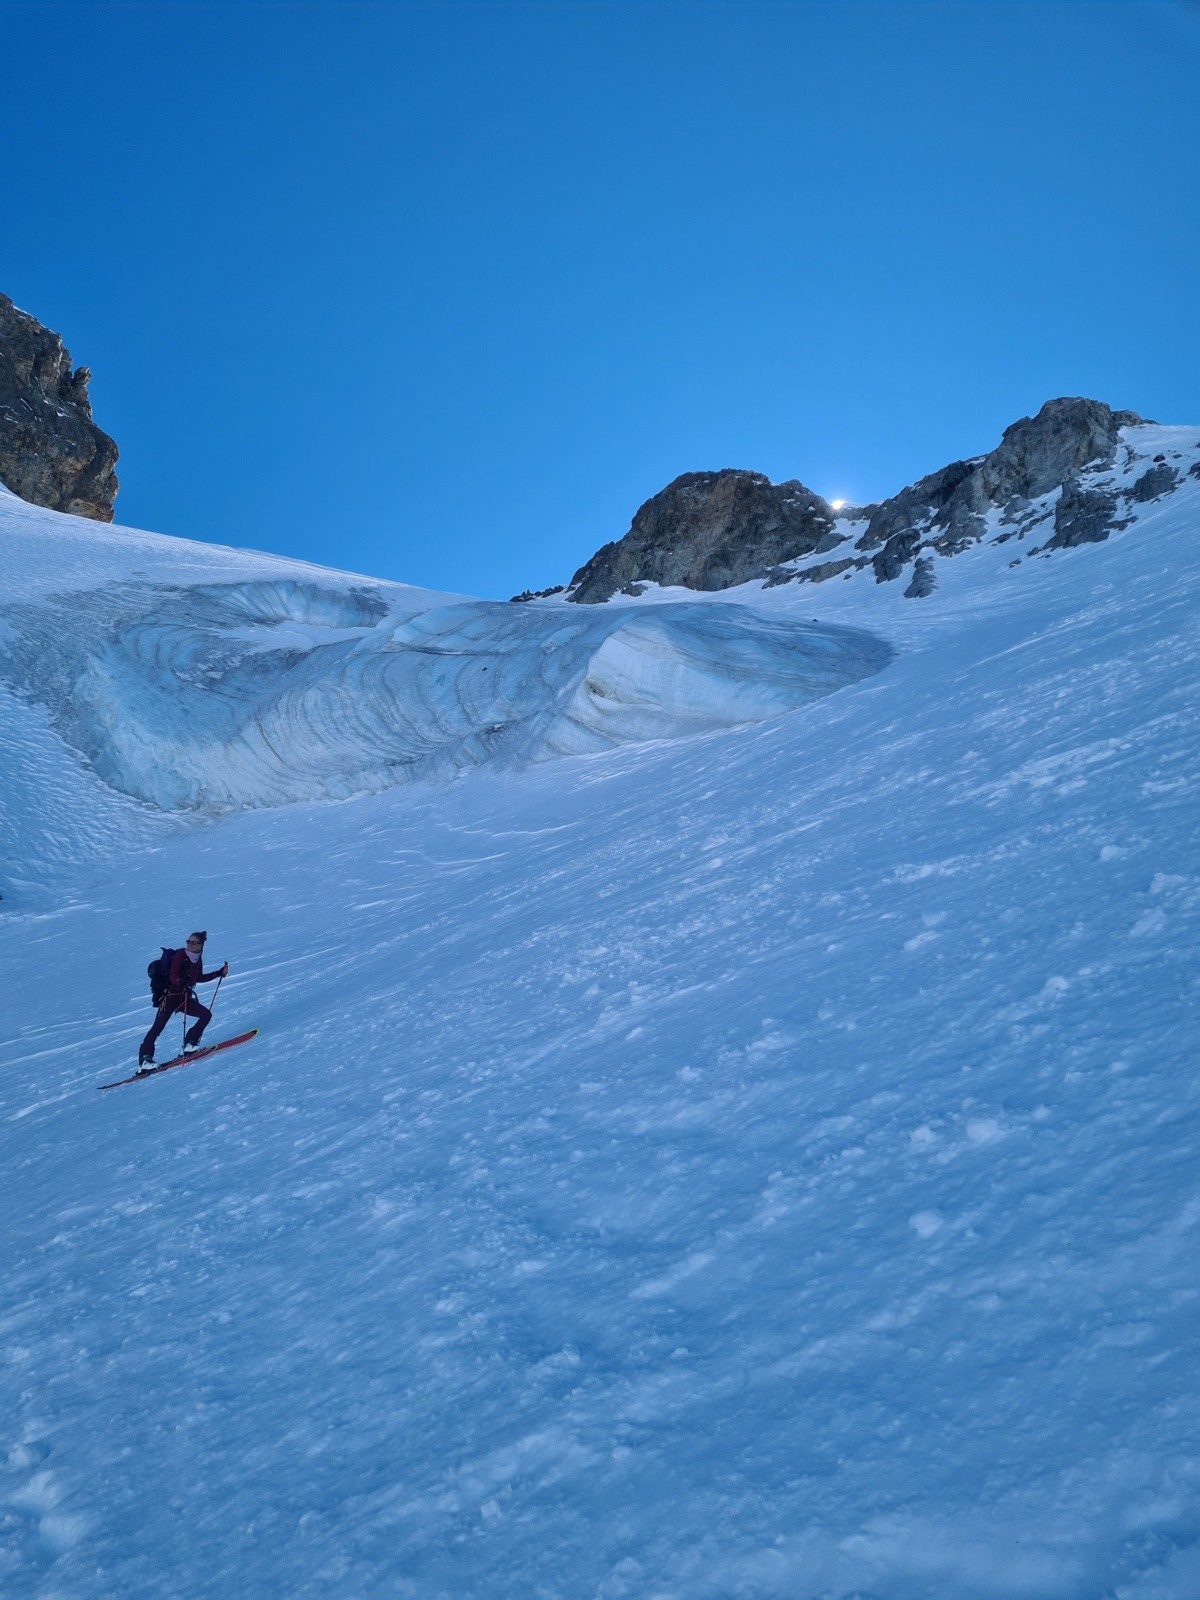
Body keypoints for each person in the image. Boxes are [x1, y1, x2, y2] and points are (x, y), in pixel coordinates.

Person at [138, 931, 229, 1070]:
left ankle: (189, 1045)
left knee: (206, 1015)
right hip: (170, 997)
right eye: (188, 941)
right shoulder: (181, 955)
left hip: (184, 997)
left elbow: (198, 978)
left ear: (201, 945)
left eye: (193, 942)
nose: (189, 944)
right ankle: (144, 1061)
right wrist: (182, 981)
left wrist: (217, 973)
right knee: (157, 1028)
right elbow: (173, 976)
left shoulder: (198, 959)